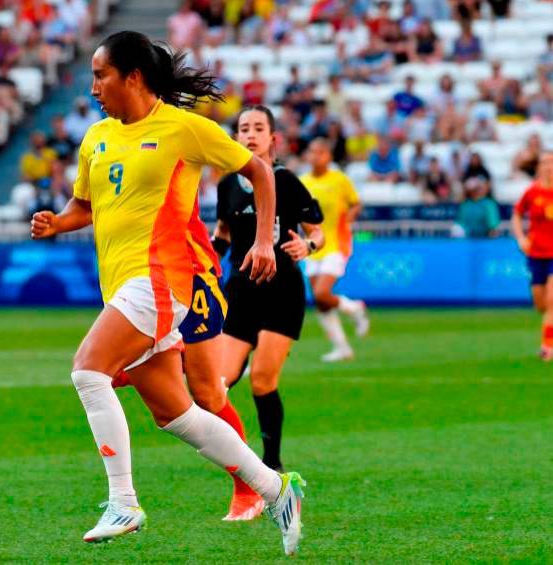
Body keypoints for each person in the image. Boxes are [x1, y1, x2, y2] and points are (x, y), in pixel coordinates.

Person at [30, 31, 306, 555]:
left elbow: (259, 170)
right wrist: (56, 223)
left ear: (133, 77)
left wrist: (266, 240)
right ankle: (276, 489)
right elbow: (84, 207)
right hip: (122, 283)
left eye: (100, 75)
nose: (93, 89)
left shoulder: (183, 129)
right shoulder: (97, 138)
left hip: (161, 280)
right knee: (177, 415)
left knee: (88, 371)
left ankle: (123, 500)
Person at [216, 105, 325, 475]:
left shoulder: (287, 180)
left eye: (258, 127)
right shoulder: (227, 184)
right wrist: (205, 258)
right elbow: (224, 233)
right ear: (235, 137)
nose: (250, 133)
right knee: (217, 384)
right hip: (241, 290)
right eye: (243, 127)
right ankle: (236, 460)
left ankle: (271, 462)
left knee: (262, 380)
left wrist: (308, 247)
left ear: (272, 138)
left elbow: (317, 231)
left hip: (282, 290)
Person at [301, 138, 369, 362]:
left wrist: (348, 220)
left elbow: (356, 203)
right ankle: (342, 347)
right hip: (312, 245)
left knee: (322, 293)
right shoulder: (303, 181)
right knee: (320, 301)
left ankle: (354, 308)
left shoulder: (339, 180)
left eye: (320, 152)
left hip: (335, 243)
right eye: (312, 152)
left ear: (328, 156)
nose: (316, 156)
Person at [511, 151, 553, 362]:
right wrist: (521, 237)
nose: (548, 166)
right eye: (544, 162)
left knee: (552, 299)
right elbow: (517, 214)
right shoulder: (532, 192)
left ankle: (547, 347)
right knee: (540, 303)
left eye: (551, 162)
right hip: (536, 253)